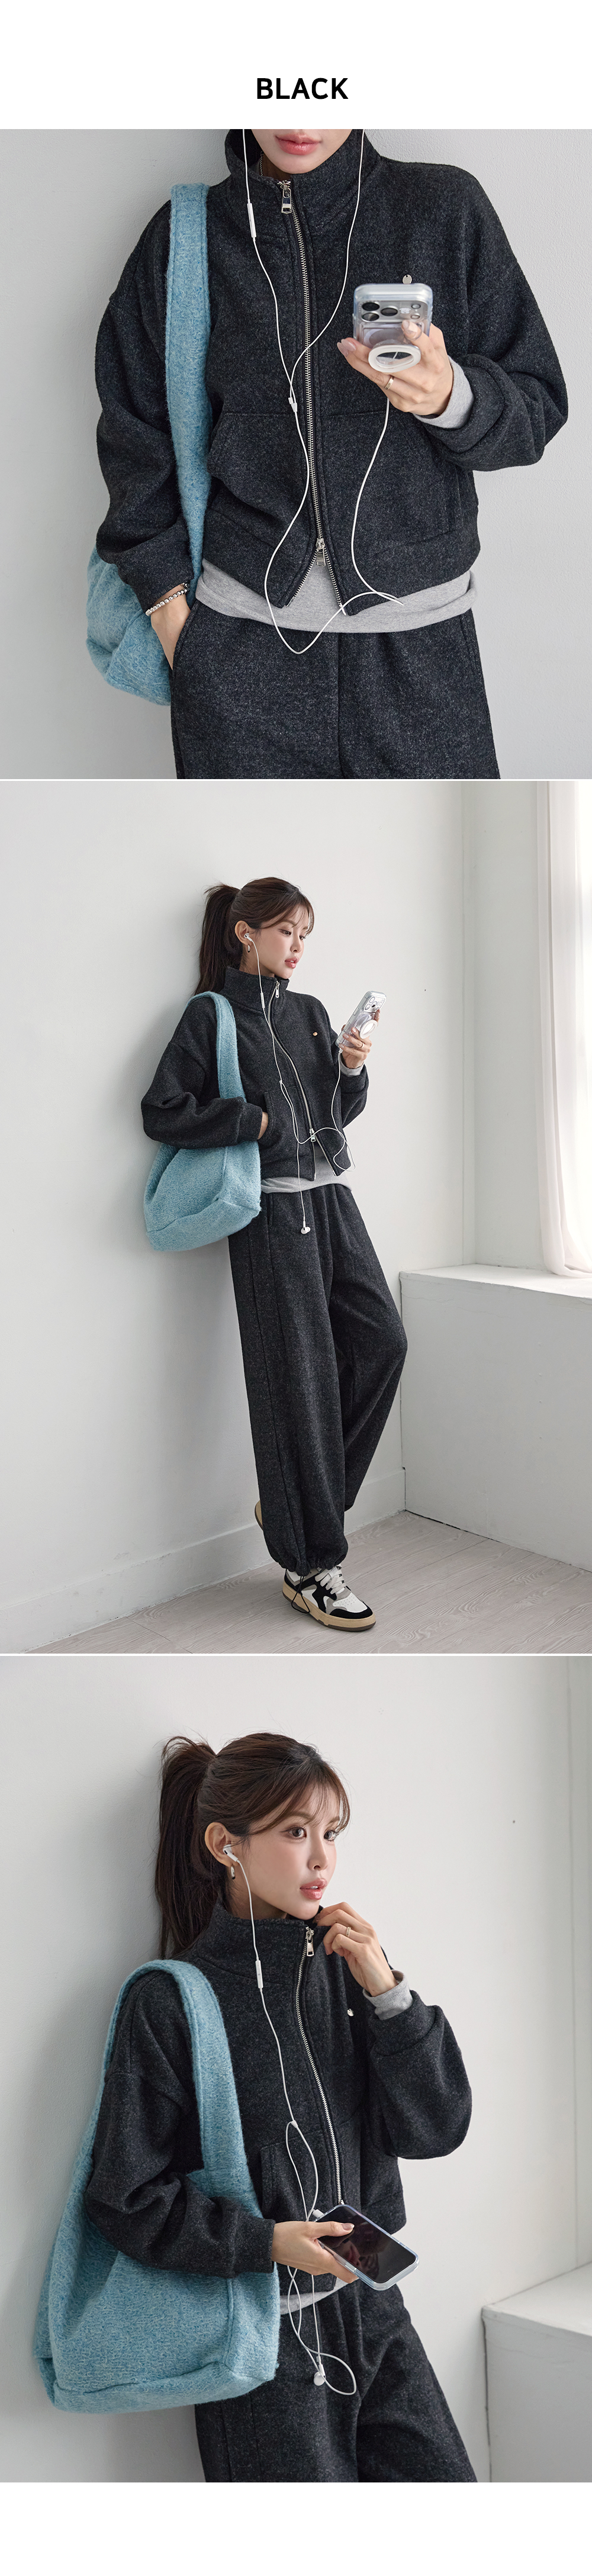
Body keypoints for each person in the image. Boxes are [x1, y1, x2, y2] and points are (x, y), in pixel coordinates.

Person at [93, 125, 568, 780]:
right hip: (239, 653)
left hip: (422, 655)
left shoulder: (444, 207)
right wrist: (171, 613)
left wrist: (448, 395)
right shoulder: (186, 235)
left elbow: (536, 409)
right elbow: (133, 433)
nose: (300, 117)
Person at [85, 1730, 475, 2483]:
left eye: (332, 1832)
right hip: (266, 2348)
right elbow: (125, 2197)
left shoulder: (343, 1971)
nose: (322, 1858)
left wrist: (388, 1992)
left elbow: (435, 2128)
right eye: (296, 1832)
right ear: (225, 1844)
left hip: (373, 2310)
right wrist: (265, 2241)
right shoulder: (170, 2000)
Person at [141, 874, 407, 1634]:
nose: (297, 947)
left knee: (382, 1344)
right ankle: (309, 1564)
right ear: (245, 932)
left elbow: (334, 1113)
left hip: (332, 1200)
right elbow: (163, 1110)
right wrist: (252, 1122)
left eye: (304, 935)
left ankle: (296, 1508)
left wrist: (351, 1067)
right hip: (271, 1214)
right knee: (299, 1381)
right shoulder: (211, 1015)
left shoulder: (313, 1013)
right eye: (286, 931)